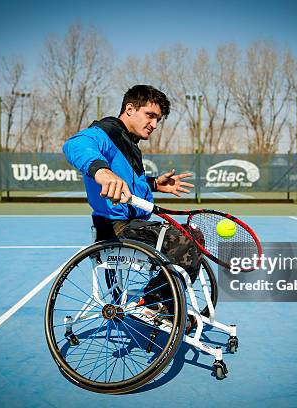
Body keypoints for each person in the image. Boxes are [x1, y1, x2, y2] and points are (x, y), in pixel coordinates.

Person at [63, 85, 201, 326]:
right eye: (150, 115)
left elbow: (130, 186)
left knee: (193, 234)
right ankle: (154, 303)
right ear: (130, 109)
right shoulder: (106, 132)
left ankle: (163, 301)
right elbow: (75, 144)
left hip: (134, 224)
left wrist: (155, 184)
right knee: (185, 239)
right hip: (117, 229)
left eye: (158, 119)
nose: (155, 124)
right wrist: (102, 172)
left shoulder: (130, 144)